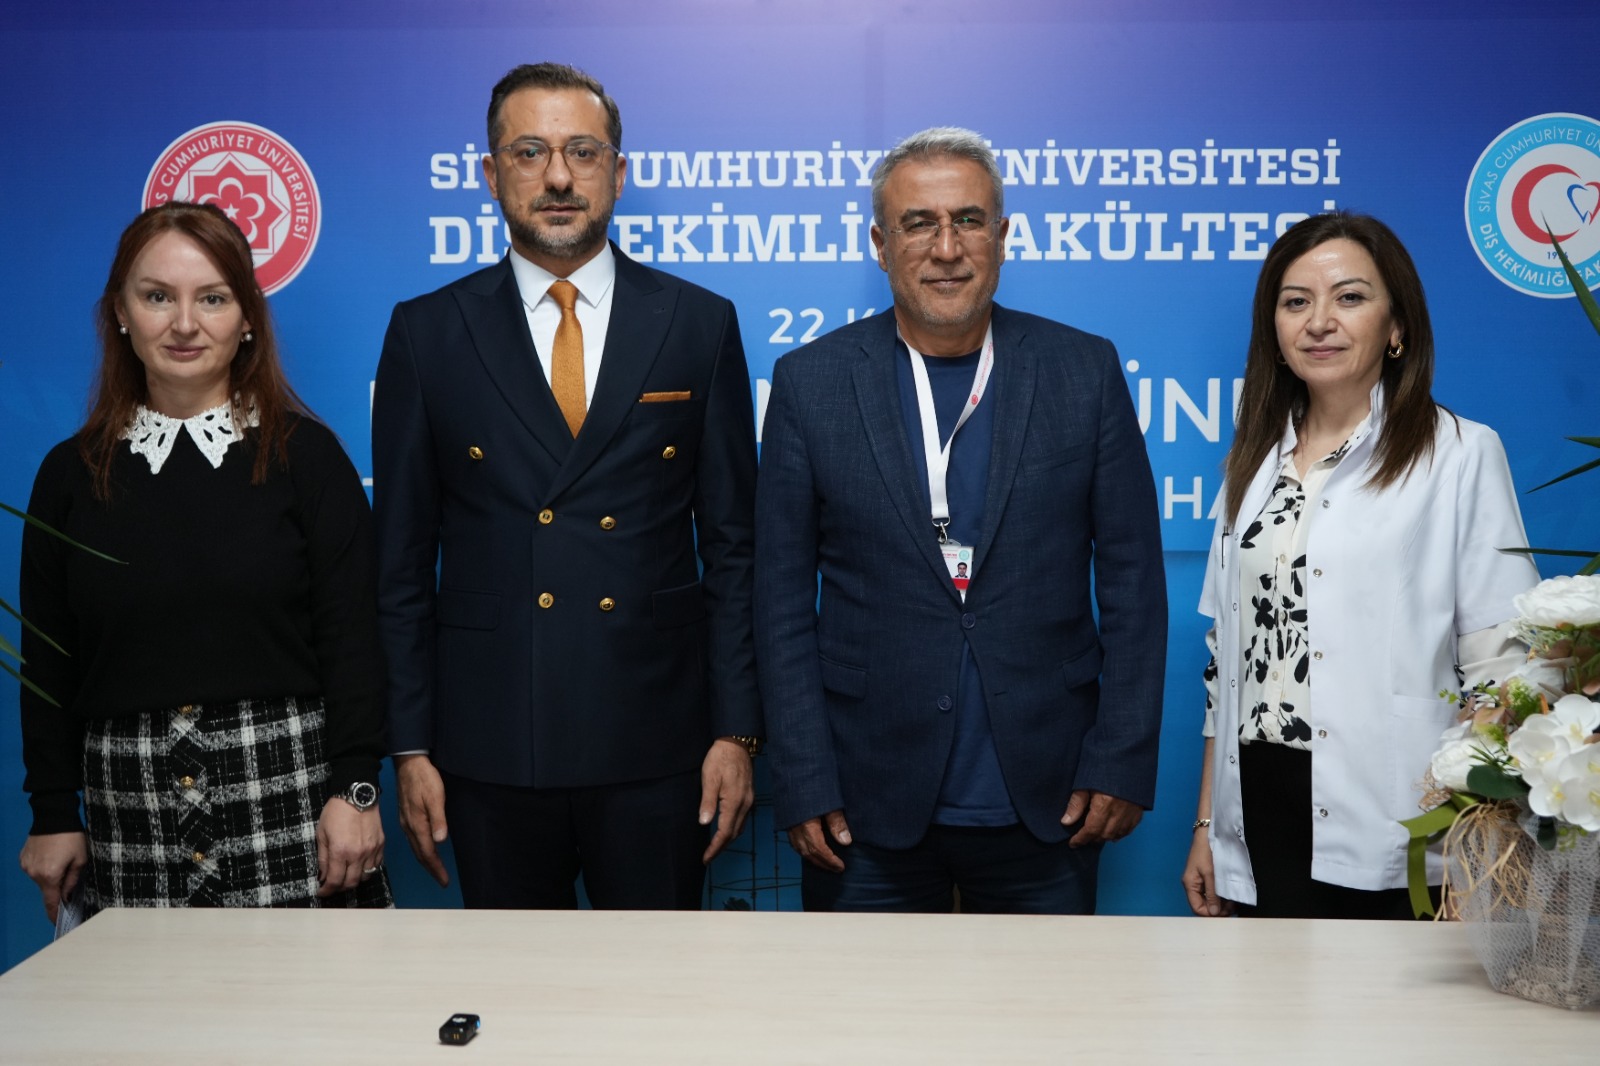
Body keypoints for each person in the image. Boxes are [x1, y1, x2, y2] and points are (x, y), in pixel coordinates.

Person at [372, 62, 761, 910]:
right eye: (529, 152)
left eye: (582, 152)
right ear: (490, 174)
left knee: (658, 983)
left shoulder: (698, 322)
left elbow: (736, 552)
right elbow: (399, 565)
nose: (557, 177)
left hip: (659, 738)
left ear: (618, 172)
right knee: (513, 983)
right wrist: (410, 745)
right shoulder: (427, 333)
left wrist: (736, 731)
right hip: (491, 740)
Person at [755, 127, 1166, 913]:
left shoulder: (1083, 371)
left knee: (1045, 999)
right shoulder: (811, 384)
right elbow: (779, 604)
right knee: (860, 999)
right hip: (864, 802)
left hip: (1047, 798)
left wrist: (1120, 758)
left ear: (1002, 237)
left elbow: (1134, 586)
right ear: (881, 245)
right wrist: (802, 776)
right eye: (919, 224)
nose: (947, 248)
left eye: (969, 221)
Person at [18, 201, 391, 919]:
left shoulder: (308, 459)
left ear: (247, 317)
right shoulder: (69, 475)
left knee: (313, 993)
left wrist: (355, 789)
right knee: (147, 996)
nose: (184, 324)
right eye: (157, 297)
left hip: (292, 796)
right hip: (129, 807)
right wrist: (53, 811)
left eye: (212, 298)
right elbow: (48, 664)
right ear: (120, 313)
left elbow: (354, 639)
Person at [1182, 212, 1538, 920]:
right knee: (1262, 990)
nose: (1320, 321)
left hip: (1401, 809)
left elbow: (1504, 665)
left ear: (1396, 325)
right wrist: (1207, 826)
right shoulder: (1253, 463)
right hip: (1258, 802)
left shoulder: (1459, 454)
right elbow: (1228, 663)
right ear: (1274, 331)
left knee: (1387, 993)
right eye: (1296, 302)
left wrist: (1481, 839)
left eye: (1349, 297)